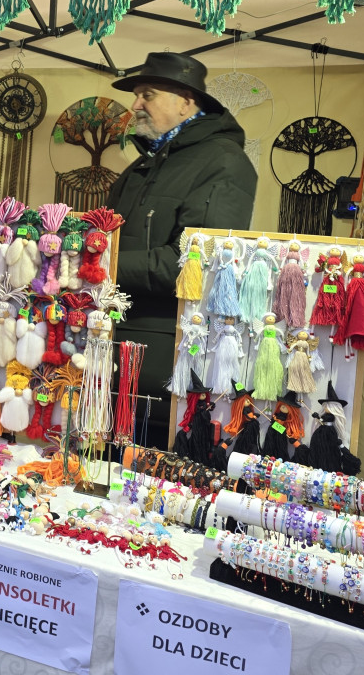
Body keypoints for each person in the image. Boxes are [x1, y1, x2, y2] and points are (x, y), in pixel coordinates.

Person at [106, 52, 256, 450]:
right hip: (114, 355)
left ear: (186, 101)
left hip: (165, 364)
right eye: (137, 95)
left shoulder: (223, 163)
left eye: (148, 94)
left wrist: (97, 265)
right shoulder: (142, 166)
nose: (136, 105)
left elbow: (193, 266)